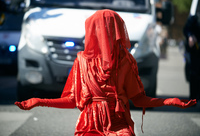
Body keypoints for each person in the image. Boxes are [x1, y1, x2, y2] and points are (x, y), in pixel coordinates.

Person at [15, 9, 196, 136]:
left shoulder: (125, 62)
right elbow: (72, 101)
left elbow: (139, 99)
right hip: (89, 126)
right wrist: (40, 101)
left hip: (119, 125)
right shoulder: (82, 61)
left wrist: (169, 101)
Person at [183, 14, 200, 101]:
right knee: (194, 74)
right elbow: (186, 29)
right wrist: (190, 36)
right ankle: (193, 98)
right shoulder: (194, 19)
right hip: (195, 52)